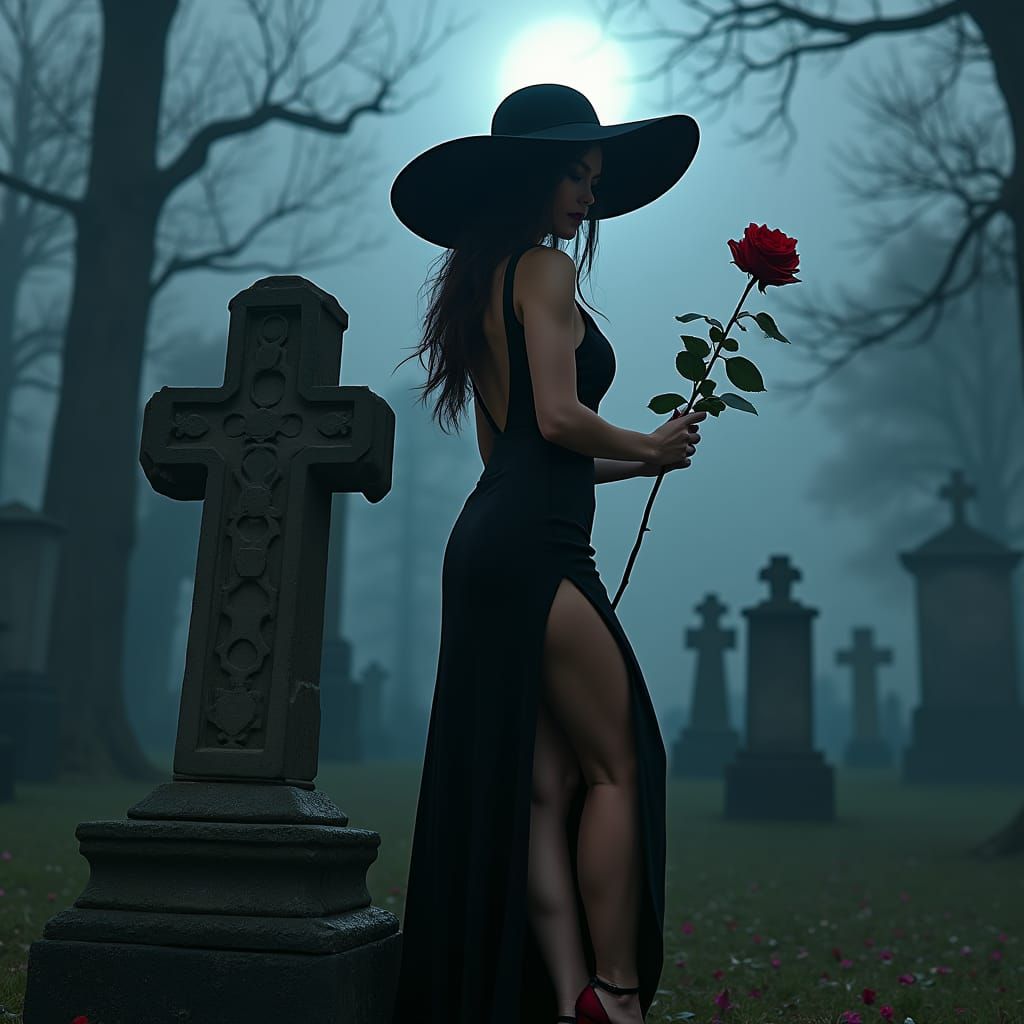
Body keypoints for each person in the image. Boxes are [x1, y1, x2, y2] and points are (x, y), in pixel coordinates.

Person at [388, 82, 704, 1024]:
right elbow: (562, 419)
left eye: (595, 176)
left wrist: (633, 471)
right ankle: (614, 990)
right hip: (534, 547)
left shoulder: (480, 282)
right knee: (619, 763)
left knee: (544, 781)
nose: (588, 194)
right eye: (575, 171)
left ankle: (571, 996)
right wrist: (650, 445)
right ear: (532, 171)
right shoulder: (546, 273)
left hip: (493, 533)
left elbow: (516, 447)